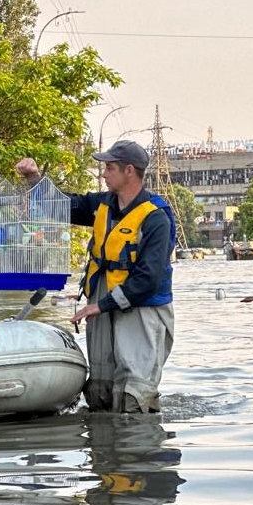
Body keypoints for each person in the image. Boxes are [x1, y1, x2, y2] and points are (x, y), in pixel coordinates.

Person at [65, 140, 177, 414]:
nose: (103, 173)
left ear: (129, 171)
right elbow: (60, 205)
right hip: (104, 302)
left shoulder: (156, 218)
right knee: (100, 389)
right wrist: (33, 179)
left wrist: (101, 305)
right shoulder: (102, 204)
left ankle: (137, 447)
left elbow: (148, 279)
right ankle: (104, 450)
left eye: (109, 167)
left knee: (134, 394)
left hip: (143, 308)